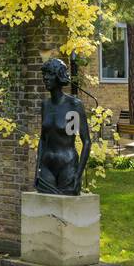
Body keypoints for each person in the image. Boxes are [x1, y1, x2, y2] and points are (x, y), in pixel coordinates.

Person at [34, 58, 91, 195]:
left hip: (67, 164)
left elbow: (86, 141)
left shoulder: (73, 105)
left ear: (59, 76)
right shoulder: (45, 105)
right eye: (45, 74)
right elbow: (43, 139)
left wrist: (78, 175)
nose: (46, 78)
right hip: (47, 165)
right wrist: (37, 168)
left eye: (51, 74)